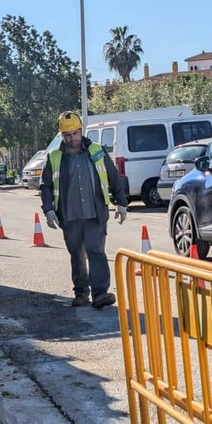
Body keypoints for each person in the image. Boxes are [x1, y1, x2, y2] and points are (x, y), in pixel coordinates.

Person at [41, 111, 128, 308]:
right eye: (67, 135)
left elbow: (113, 177)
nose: (72, 138)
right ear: (62, 136)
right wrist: (48, 210)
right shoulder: (54, 157)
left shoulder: (96, 151)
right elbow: (46, 185)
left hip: (95, 213)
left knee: (96, 251)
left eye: (75, 133)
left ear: (81, 131)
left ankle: (100, 294)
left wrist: (121, 203)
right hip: (69, 215)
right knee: (77, 254)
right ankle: (81, 293)